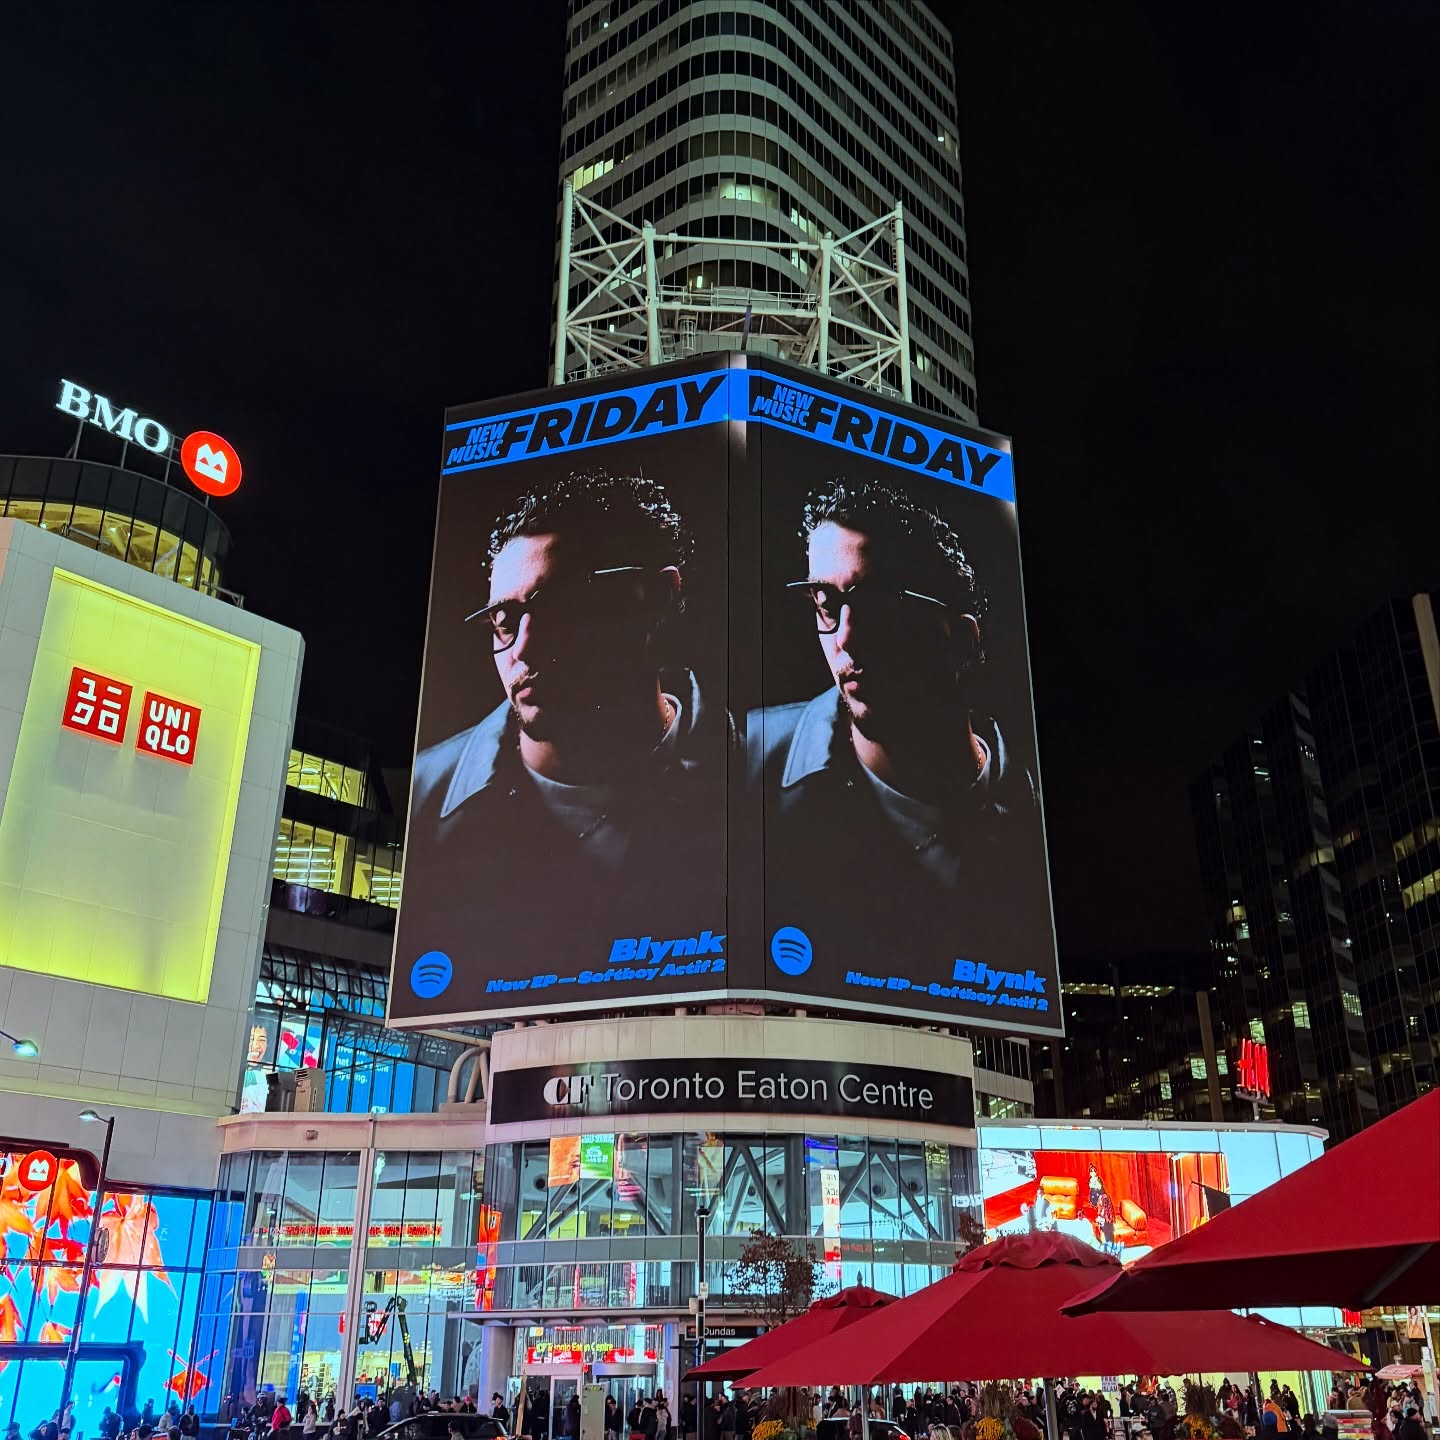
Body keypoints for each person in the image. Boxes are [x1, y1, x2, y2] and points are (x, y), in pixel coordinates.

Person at [408, 470, 733, 987]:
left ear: (654, 597)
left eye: (559, 607)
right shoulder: (426, 798)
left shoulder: (757, 773)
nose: (525, 648)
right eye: (504, 621)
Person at [749, 475, 1051, 994]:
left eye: (877, 605)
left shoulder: (1033, 824)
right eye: (824, 602)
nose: (845, 638)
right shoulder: (745, 762)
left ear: (957, 639)